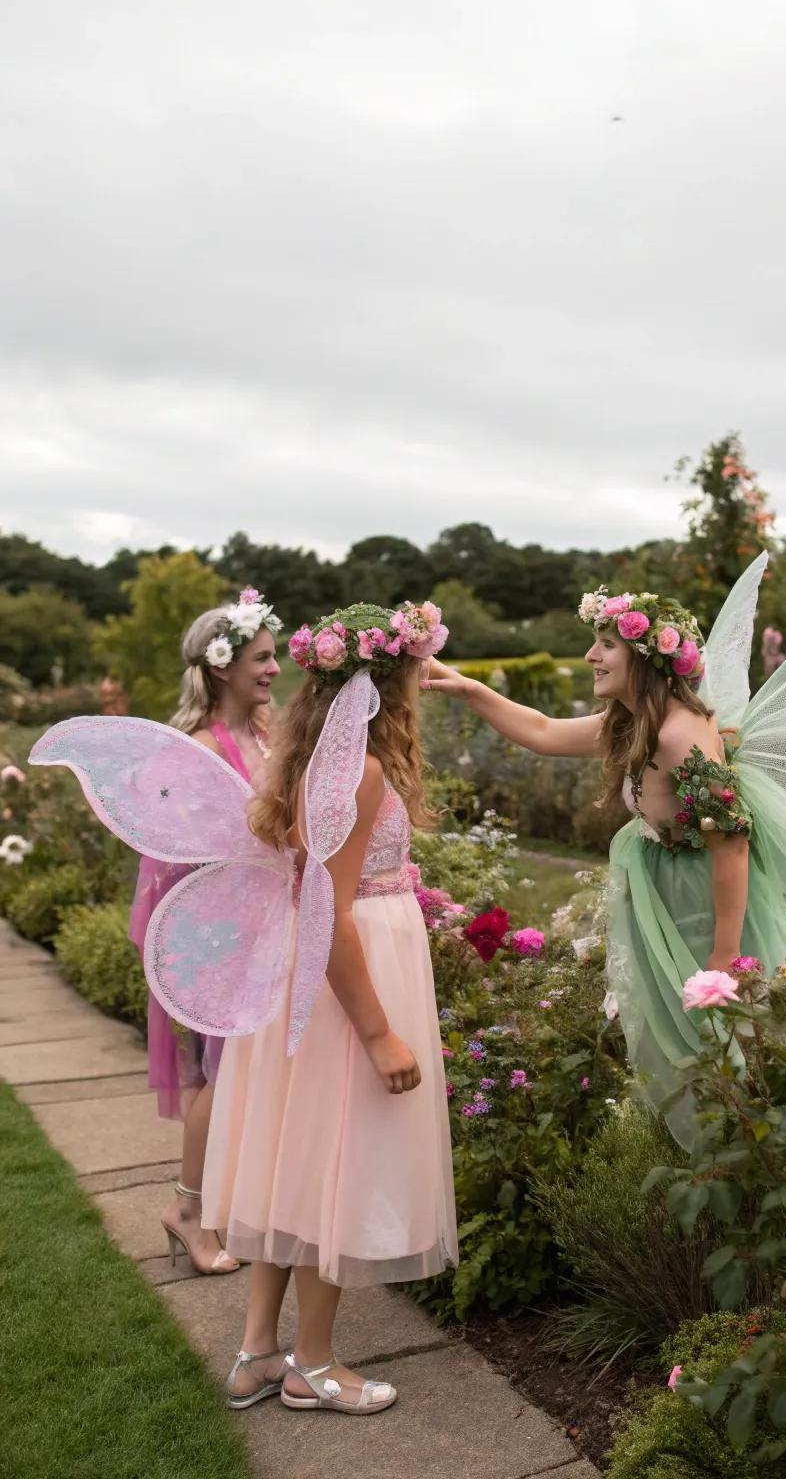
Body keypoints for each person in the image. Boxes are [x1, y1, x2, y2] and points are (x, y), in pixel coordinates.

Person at [31, 597, 458, 1414]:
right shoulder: (357, 774)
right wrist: (379, 1035)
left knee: (295, 1168)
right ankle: (316, 1364)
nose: (419, 691)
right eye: (411, 676)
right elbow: (332, 915)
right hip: (347, 988)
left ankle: (259, 1352)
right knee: (337, 1167)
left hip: (312, 976)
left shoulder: (308, 761)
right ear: (379, 689)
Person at [421, 554, 786, 1139]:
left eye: (605, 645)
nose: (593, 656)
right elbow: (544, 733)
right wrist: (470, 689)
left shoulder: (680, 734)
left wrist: (724, 959)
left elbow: (732, 844)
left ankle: (765, 1157)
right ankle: (705, 1155)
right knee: (685, 1045)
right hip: (665, 895)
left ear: (644, 658)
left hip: (704, 903)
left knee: (731, 1040)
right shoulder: (632, 723)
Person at [129, 587, 281, 1274]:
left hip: (273, 924)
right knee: (224, 1072)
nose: (275, 669)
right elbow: (170, 852)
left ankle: (232, 1202)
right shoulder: (192, 750)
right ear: (222, 667)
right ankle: (187, 1210)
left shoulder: (269, 732)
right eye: (263, 657)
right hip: (221, 935)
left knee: (259, 1071)